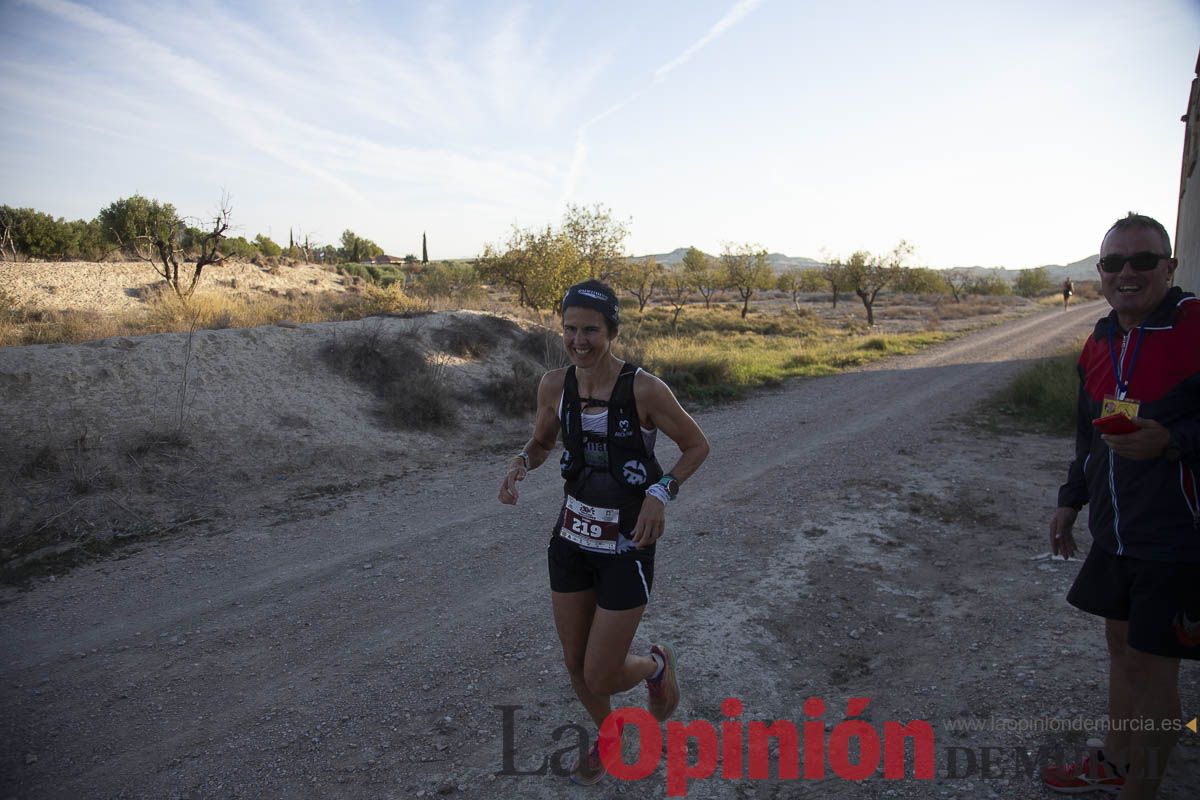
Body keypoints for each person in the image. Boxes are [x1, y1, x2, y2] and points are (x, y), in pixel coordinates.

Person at [498, 279, 710, 785]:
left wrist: (661, 493)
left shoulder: (644, 388)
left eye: (591, 329)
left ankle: (656, 667)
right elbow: (544, 441)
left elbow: (697, 446)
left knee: (602, 671)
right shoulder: (554, 384)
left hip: (626, 544)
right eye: (570, 329)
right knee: (576, 663)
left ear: (612, 330)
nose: (579, 340)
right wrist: (521, 463)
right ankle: (608, 736)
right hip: (571, 538)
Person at [1044, 213, 1200, 798]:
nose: (1127, 273)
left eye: (1142, 261)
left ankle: (1142, 790)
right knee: (1120, 648)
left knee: (1152, 665)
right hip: (1116, 529)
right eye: (1114, 263)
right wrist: (1070, 501)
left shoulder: (1195, 327)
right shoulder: (1101, 340)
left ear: (1169, 267)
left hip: (1177, 533)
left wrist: (1175, 440)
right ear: (1101, 273)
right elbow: (1090, 434)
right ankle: (1113, 761)